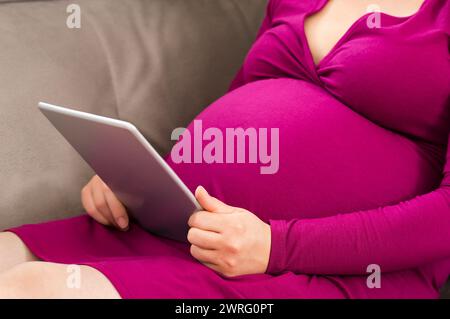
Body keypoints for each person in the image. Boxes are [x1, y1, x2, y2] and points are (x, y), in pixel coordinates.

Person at [0, 0, 448, 298]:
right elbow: (244, 103)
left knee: (31, 289)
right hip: (187, 229)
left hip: (322, 271)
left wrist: (275, 247)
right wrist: (139, 178)